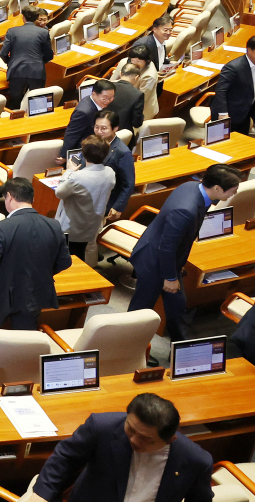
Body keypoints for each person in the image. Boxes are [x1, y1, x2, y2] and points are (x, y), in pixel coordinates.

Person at [128, 163, 242, 343]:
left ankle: (181, 348)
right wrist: (170, 278)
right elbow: (166, 247)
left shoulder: (192, 187)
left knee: (177, 306)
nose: (234, 194)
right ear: (217, 188)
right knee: (140, 311)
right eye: (233, 190)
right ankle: (130, 347)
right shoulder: (185, 210)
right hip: (154, 262)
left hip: (171, 261)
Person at [32, 394, 212, 502]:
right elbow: (65, 458)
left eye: (145, 439)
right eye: (130, 429)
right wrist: (41, 495)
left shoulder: (195, 460)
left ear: (169, 439)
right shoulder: (101, 427)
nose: (133, 439)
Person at [0, 177, 71, 329]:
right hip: (34, 293)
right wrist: (41, 273)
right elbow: (65, 261)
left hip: (1, 295)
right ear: (32, 198)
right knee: (25, 340)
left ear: (9, 196)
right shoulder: (53, 225)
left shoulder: (4, 227)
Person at [55, 136, 115, 261]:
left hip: (72, 228)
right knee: (80, 255)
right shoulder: (110, 173)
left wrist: (69, 172)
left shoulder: (77, 177)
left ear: (84, 154)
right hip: (91, 226)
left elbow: (59, 192)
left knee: (69, 260)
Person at [1, 4, 52, 109]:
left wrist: (10, 62)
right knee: (36, 104)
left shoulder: (12, 31)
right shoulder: (43, 32)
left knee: (15, 102)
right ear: (36, 18)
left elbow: (3, 53)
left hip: (16, 70)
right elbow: (49, 55)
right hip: (37, 71)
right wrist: (40, 62)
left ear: (23, 17)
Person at [91, 110, 135, 221]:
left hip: (104, 202)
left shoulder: (122, 152)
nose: (99, 131)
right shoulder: (93, 142)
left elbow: (128, 184)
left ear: (115, 128)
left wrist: (118, 207)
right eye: (96, 127)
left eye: (104, 128)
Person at [63, 79, 116, 160]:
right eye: (105, 98)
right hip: (84, 152)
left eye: (111, 98)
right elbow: (72, 134)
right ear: (94, 94)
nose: (108, 101)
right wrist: (64, 155)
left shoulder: (99, 103)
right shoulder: (83, 112)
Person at [215, 34, 255, 136]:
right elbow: (221, 90)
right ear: (250, 50)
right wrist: (223, 114)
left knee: (241, 140)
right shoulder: (233, 67)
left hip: (247, 110)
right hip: (232, 112)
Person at [113, 46, 159, 122]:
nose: (134, 63)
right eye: (132, 60)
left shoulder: (149, 76)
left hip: (142, 109)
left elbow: (141, 98)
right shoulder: (124, 62)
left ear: (147, 61)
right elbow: (113, 80)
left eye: (138, 61)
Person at [106, 66, 146, 146]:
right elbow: (137, 123)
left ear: (120, 73)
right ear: (136, 77)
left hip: (101, 131)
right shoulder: (138, 95)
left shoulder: (107, 87)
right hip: (123, 135)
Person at [141, 15, 172, 80]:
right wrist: (153, 74)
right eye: (165, 30)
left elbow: (159, 59)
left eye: (170, 30)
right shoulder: (144, 45)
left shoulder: (161, 40)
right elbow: (136, 67)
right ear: (155, 29)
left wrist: (169, 62)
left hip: (158, 77)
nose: (168, 33)